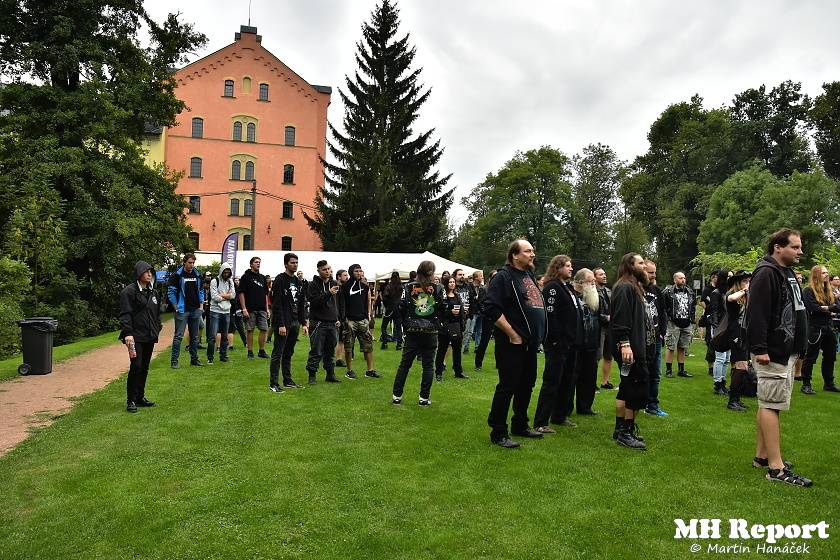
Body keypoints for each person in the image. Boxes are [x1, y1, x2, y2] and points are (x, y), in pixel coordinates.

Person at [746, 228, 812, 486]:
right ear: (778, 247)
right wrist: (760, 348)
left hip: (786, 350)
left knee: (770, 403)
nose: (800, 252)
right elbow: (756, 314)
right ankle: (776, 468)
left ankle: (762, 457)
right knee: (771, 404)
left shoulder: (786, 272)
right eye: (795, 247)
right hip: (772, 351)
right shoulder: (766, 273)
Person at [483, 239, 546, 448]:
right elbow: (490, 307)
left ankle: (520, 424)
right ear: (515, 255)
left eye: (533, 250)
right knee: (507, 386)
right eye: (528, 251)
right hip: (512, 344)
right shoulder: (504, 277)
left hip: (530, 344)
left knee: (526, 384)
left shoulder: (528, 276)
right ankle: (498, 431)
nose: (532, 254)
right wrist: (512, 334)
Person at [533, 254, 579, 433]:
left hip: (569, 343)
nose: (571, 268)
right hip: (557, 343)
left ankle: (559, 416)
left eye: (571, 265)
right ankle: (541, 422)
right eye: (567, 265)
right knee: (552, 382)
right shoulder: (552, 287)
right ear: (557, 267)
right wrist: (555, 340)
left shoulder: (566, 287)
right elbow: (551, 316)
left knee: (566, 381)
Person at [610, 253, 652, 450]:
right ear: (630, 265)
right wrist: (625, 343)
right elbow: (620, 319)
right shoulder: (624, 287)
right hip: (629, 348)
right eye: (641, 263)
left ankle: (620, 429)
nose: (644, 266)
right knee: (636, 389)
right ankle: (626, 433)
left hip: (635, 347)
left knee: (627, 388)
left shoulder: (634, 286)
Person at [392, 260, 445, 406]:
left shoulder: (408, 287)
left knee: (405, 364)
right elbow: (443, 307)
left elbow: (400, 306)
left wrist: (406, 323)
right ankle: (424, 398)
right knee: (428, 365)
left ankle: (397, 395)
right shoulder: (439, 288)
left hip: (412, 330)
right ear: (431, 272)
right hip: (431, 331)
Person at [119, 261, 163, 413]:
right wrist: (128, 333)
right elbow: (125, 314)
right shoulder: (129, 292)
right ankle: (131, 400)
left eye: (151, 272)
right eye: (146, 271)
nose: (149, 274)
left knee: (144, 366)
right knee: (136, 366)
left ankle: (140, 397)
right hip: (135, 336)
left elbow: (156, 313)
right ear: (139, 273)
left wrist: (157, 326)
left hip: (149, 335)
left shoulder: (154, 292)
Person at [269, 253, 308, 392]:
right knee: (278, 353)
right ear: (286, 264)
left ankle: (287, 380)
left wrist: (304, 323)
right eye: (292, 262)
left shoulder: (298, 281)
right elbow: (276, 304)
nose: (295, 265)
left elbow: (301, 303)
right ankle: (273, 383)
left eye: (296, 262)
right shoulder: (280, 280)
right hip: (283, 322)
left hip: (295, 321)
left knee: (288, 352)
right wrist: (281, 324)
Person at [800, 264, 840, 394]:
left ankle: (829, 383)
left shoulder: (829, 290)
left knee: (830, 356)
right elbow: (813, 308)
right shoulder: (808, 291)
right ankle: (806, 384)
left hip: (829, 326)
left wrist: (826, 308)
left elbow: (838, 307)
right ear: (816, 275)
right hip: (815, 327)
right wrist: (829, 308)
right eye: (823, 273)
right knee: (811, 356)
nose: (827, 275)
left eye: (827, 272)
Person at [338, 264, 379, 379]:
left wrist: (367, 316)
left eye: (360, 271)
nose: (359, 273)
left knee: (368, 346)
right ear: (351, 272)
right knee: (348, 347)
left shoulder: (365, 287)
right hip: (349, 321)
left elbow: (367, 303)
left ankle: (370, 370)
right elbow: (341, 304)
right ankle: (349, 370)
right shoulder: (344, 287)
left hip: (362, 320)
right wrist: (343, 319)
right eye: (356, 271)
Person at [305, 260, 341, 384]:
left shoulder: (334, 283)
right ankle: (312, 375)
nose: (327, 271)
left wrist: (338, 318)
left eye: (328, 269)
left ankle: (330, 374)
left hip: (332, 323)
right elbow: (314, 302)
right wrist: (328, 293)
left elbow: (337, 303)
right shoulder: (312, 285)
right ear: (318, 271)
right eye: (324, 269)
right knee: (316, 350)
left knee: (330, 351)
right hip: (318, 323)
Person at [571, 268, 601, 416]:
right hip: (575, 345)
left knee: (589, 377)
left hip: (591, 344)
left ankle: (585, 407)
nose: (594, 284)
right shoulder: (571, 296)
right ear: (580, 282)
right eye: (591, 281)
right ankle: (565, 409)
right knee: (571, 377)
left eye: (594, 281)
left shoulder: (594, 297)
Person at [722, 270, 752, 411]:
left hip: (745, 333)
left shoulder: (747, 296)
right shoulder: (732, 293)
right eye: (745, 281)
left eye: (749, 281)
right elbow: (731, 299)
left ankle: (736, 399)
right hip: (736, 333)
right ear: (738, 283)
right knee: (741, 367)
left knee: (741, 367)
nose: (748, 283)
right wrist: (745, 290)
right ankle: (732, 401)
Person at [168, 253, 205, 368]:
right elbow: (171, 292)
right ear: (184, 262)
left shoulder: (197, 274)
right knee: (178, 336)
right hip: (182, 310)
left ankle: (194, 359)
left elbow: (201, 291)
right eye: (190, 262)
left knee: (194, 337)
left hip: (195, 309)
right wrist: (176, 307)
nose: (192, 265)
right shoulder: (177, 275)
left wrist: (201, 306)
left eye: (193, 263)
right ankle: (174, 361)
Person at [643, 260, 668, 417]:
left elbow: (662, 312)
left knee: (655, 374)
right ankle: (638, 402)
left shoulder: (657, 290)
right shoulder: (635, 289)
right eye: (650, 272)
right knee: (641, 373)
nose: (654, 275)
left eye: (654, 272)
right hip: (641, 339)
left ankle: (652, 404)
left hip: (656, 338)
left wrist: (662, 331)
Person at [662, 271, 696, 378]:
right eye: (680, 278)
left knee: (683, 347)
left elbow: (693, 306)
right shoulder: (668, 292)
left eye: (684, 278)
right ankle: (668, 370)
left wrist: (692, 319)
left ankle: (681, 370)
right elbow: (663, 307)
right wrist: (667, 319)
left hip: (686, 322)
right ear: (675, 279)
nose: (683, 280)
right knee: (671, 346)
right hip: (673, 323)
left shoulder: (690, 292)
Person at [435, 277, 468, 381]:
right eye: (450, 282)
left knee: (457, 350)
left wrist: (462, 323)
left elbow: (461, 311)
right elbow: (439, 311)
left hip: (456, 326)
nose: (452, 284)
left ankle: (458, 371)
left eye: (453, 282)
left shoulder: (457, 295)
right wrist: (450, 312)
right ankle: (438, 372)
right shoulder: (442, 296)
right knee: (442, 350)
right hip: (445, 327)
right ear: (446, 283)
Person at [238, 257, 270, 360]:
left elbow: (266, 294)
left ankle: (261, 351)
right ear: (251, 264)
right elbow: (241, 293)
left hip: (262, 308)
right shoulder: (245, 277)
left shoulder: (262, 277)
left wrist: (267, 309)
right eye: (256, 262)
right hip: (250, 308)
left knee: (264, 329)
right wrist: (244, 309)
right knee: (250, 330)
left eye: (259, 262)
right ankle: (250, 352)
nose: (258, 264)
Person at [709, 269, 732, 395]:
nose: (731, 279)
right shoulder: (716, 293)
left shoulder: (729, 293)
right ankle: (718, 384)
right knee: (720, 357)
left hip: (729, 327)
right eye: (729, 276)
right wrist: (717, 328)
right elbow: (713, 310)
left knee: (727, 358)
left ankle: (722, 382)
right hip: (719, 328)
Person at [207, 263, 235, 364]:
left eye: (228, 272)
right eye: (225, 272)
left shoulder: (230, 281)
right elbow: (214, 297)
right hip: (215, 311)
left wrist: (222, 295)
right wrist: (227, 296)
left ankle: (223, 356)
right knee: (212, 336)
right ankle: (210, 357)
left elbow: (233, 295)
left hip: (226, 311)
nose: (226, 274)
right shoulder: (214, 281)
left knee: (225, 335)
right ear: (221, 271)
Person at [594, 267, 615, 390]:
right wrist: (606, 317)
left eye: (604, 273)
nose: (604, 276)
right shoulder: (592, 291)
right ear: (594, 277)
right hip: (599, 327)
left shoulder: (608, 291)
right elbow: (594, 311)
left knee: (608, 356)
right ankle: (592, 383)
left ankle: (605, 382)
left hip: (609, 327)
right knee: (597, 356)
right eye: (601, 274)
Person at [473, 270, 497, 371]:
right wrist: (488, 314)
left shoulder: (499, 288)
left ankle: (499, 363)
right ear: (490, 278)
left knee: (499, 342)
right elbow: (481, 304)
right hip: (488, 318)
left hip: (498, 318)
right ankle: (478, 364)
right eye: (494, 276)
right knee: (484, 341)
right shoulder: (484, 289)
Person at [700, 271, 719, 376]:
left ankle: (718, 366)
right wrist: (708, 309)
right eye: (717, 277)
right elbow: (701, 301)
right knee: (711, 342)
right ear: (713, 278)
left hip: (720, 318)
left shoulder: (721, 288)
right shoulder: (707, 289)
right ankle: (711, 368)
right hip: (710, 319)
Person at [380, 271, 403, 350]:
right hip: (398, 309)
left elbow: (385, 298)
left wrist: (387, 306)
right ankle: (399, 344)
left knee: (384, 326)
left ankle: (385, 343)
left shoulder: (389, 286)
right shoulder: (401, 286)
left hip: (389, 308)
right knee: (398, 327)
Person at [463, 270, 485, 354]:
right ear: (476, 278)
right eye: (481, 276)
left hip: (481, 312)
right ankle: (466, 348)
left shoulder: (482, 287)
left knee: (479, 331)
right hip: (473, 312)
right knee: (470, 331)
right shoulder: (469, 287)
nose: (482, 277)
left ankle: (477, 347)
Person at [334, 269, 349, 367]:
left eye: (347, 275)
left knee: (342, 339)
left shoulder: (344, 288)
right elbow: (335, 304)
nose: (347, 277)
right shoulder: (336, 288)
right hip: (336, 317)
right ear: (339, 277)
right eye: (345, 275)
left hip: (343, 317)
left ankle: (339, 359)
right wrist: (337, 318)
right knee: (334, 339)